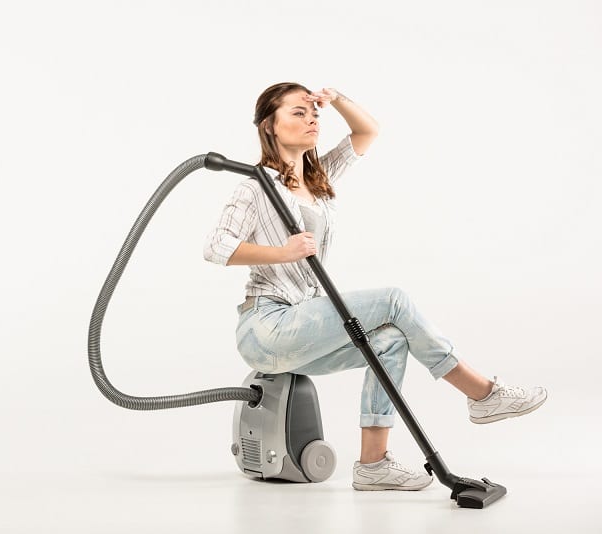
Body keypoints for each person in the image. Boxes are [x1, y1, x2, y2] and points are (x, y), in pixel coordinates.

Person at [203, 82, 547, 491]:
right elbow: (215, 247)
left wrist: (337, 99)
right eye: (298, 112)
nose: (312, 118)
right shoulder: (254, 186)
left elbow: (366, 132)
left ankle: (373, 465)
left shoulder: (319, 178)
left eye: (314, 113)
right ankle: (482, 393)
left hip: (299, 323)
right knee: (393, 301)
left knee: (388, 342)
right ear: (269, 127)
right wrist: (284, 252)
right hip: (266, 326)